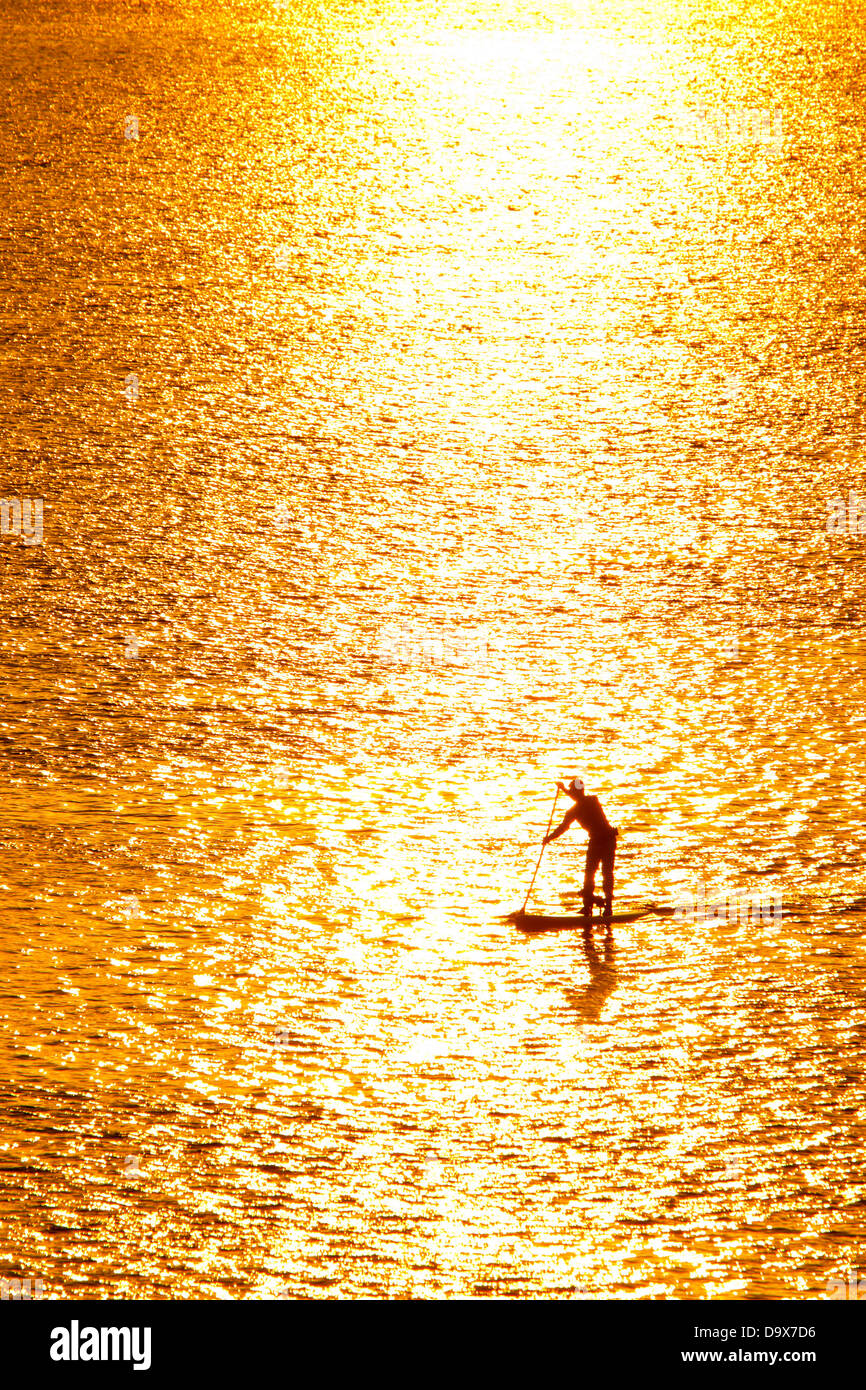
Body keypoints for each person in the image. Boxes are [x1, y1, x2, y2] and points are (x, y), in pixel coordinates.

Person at [543, 777, 619, 918]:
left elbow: (580, 799)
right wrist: (549, 838)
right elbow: (563, 827)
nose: (577, 793)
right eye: (574, 791)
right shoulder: (574, 811)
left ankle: (608, 908)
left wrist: (564, 789)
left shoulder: (592, 801)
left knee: (606, 873)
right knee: (589, 874)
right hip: (595, 841)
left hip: (608, 840)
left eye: (576, 790)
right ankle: (587, 906)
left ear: (581, 791)